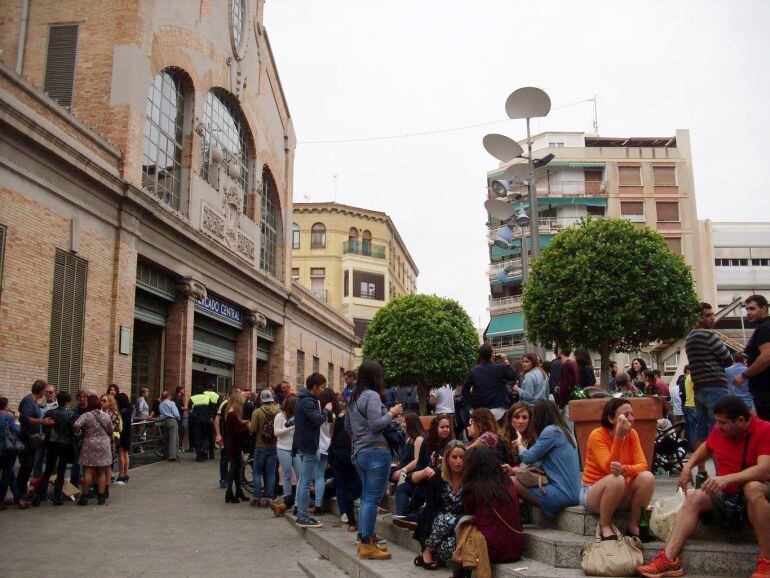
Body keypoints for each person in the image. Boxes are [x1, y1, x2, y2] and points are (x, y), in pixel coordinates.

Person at [637, 395, 770, 578]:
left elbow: (763, 469)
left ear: (740, 420)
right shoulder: (720, 430)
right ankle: (669, 559)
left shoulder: (764, 430)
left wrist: (727, 479)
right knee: (694, 496)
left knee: (752, 488)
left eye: (723, 423)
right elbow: (707, 447)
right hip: (729, 497)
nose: (718, 426)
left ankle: (766, 561)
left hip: (757, 494)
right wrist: (688, 466)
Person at [346, 361, 403, 559]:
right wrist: (392, 413)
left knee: (366, 497)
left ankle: (364, 538)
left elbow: (348, 427)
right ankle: (367, 543)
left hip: (360, 452)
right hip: (376, 452)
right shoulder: (371, 396)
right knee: (372, 498)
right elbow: (376, 424)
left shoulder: (354, 397)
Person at [581, 398, 656, 539]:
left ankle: (633, 525)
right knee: (616, 479)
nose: (631, 419)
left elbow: (643, 465)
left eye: (632, 414)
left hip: (620, 488)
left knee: (647, 477)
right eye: (625, 415)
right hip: (594, 491)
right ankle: (605, 525)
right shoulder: (597, 435)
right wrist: (619, 436)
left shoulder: (632, 434)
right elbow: (609, 469)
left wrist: (624, 469)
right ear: (611, 418)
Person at [507, 400, 581, 518]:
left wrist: (520, 444)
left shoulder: (551, 431)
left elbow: (528, 458)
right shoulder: (563, 431)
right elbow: (539, 464)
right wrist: (514, 471)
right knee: (514, 476)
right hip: (573, 493)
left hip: (563, 493)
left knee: (511, 481)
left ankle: (522, 518)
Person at [459, 445, 524, 574]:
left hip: (492, 549)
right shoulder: (506, 481)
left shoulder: (473, 487)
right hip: (516, 547)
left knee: (464, 527)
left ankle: (459, 569)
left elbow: (469, 513)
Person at [685, 302, 733, 448]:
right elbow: (728, 359)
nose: (712, 318)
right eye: (708, 315)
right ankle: (721, 469)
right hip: (715, 385)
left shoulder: (689, 339)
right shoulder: (709, 335)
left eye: (712, 314)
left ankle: (701, 469)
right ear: (698, 318)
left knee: (701, 429)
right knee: (719, 427)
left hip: (699, 387)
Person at [412, 440, 466, 569]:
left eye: (462, 457)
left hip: (460, 524)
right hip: (438, 522)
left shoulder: (470, 479)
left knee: (451, 545)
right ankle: (427, 551)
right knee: (446, 519)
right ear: (447, 459)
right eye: (454, 457)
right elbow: (430, 510)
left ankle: (435, 557)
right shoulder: (438, 478)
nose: (458, 461)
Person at [398, 414, 455, 528]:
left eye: (447, 427)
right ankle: (405, 513)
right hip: (426, 476)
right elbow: (420, 465)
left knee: (430, 484)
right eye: (442, 427)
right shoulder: (427, 442)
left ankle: (413, 513)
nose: (445, 430)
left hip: (443, 479)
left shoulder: (452, 444)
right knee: (406, 481)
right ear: (435, 428)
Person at [294, 373, 334, 528]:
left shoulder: (303, 400)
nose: (323, 390)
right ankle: (303, 516)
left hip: (305, 445)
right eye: (322, 387)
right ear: (315, 387)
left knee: (303, 481)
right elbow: (317, 420)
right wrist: (325, 410)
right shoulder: (307, 402)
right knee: (305, 482)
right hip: (308, 445)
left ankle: (301, 513)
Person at [34, 392, 75, 506]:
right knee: (61, 471)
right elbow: (72, 431)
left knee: (47, 470)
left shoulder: (50, 412)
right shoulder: (71, 414)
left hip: (52, 443)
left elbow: (45, 429)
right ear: (67, 402)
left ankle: (38, 497)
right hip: (65, 444)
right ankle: (57, 498)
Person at [17, 380, 55, 505]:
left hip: (32, 438)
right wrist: (42, 422)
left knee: (28, 467)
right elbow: (25, 418)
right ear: (42, 391)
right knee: (26, 467)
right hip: (26, 438)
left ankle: (22, 494)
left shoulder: (33, 401)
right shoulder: (29, 401)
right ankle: (21, 495)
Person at [329, 392, 361, 532]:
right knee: (349, 485)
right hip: (347, 454)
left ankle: (348, 516)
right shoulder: (353, 420)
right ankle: (350, 517)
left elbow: (334, 437)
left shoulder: (341, 419)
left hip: (340, 454)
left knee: (343, 485)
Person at [734, 294, 770, 420]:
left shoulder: (764, 328)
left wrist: (744, 375)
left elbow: (766, 356)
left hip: (765, 390)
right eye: (747, 309)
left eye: (752, 309)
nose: (748, 312)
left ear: (764, 308)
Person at [73, 394, 113, 505]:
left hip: (89, 443)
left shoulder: (86, 415)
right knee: (101, 471)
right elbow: (110, 429)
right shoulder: (105, 415)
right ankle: (101, 496)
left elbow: (76, 425)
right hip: (103, 444)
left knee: (88, 471)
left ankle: (84, 497)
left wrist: (79, 433)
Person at [461, 343, 517, 421]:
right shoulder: (500, 367)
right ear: (492, 354)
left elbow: (464, 390)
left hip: (481, 410)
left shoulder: (473, 371)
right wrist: (506, 361)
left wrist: (472, 404)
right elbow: (512, 376)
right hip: (499, 409)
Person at [249, 388, 280, 506]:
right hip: (273, 445)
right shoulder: (278, 411)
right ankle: (269, 498)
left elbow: (252, 429)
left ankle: (256, 497)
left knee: (257, 472)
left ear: (261, 399)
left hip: (260, 445)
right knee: (271, 472)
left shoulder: (257, 412)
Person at [393, 413, 427, 518]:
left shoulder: (419, 439)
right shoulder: (409, 438)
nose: (402, 424)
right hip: (403, 469)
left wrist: (402, 470)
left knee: (401, 486)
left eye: (404, 422)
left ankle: (401, 513)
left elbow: (417, 461)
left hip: (412, 472)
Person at [270, 395, 298, 517]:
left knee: (299, 475)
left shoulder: (298, 417)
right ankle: (287, 498)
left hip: (296, 448)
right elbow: (276, 432)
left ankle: (295, 502)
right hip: (283, 448)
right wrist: (290, 428)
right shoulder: (279, 417)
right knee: (286, 474)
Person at [312, 388, 336, 515]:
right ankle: (318, 504)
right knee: (320, 476)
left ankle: (302, 505)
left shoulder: (317, 414)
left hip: (315, 446)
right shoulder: (332, 416)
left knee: (309, 477)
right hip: (326, 447)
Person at [223, 391, 249, 503]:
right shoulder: (232, 414)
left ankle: (238, 491)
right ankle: (229, 492)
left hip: (233, 444)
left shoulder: (231, 413)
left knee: (237, 469)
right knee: (233, 469)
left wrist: (244, 423)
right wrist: (247, 428)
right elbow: (235, 432)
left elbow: (236, 426)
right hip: (234, 445)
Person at [0, 397, 24, 508]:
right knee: (6, 475)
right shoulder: (8, 417)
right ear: (5, 406)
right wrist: (17, 420)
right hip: (8, 449)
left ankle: (19, 499)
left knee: (10, 474)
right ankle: (1, 500)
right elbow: (17, 431)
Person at [500, 402, 537, 467]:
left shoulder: (535, 438)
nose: (520, 421)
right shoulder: (502, 439)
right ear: (510, 419)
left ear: (529, 420)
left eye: (524, 418)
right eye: (517, 417)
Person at [556, 348, 579, 434]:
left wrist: (560, 405)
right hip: (573, 399)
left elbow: (565, 386)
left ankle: (573, 448)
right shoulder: (573, 363)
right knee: (571, 430)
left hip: (566, 401)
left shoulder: (566, 365)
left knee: (569, 431)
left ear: (560, 351)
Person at [69, 390, 88, 488]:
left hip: (87, 439)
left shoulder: (89, 411)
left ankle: (86, 482)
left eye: (84, 397)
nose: (83, 399)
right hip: (76, 438)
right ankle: (74, 482)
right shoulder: (74, 410)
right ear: (78, 398)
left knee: (86, 463)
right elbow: (72, 424)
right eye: (81, 397)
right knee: (76, 461)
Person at [188, 389, 212, 462]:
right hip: (206, 419)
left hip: (196, 420)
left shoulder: (192, 398)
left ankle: (198, 455)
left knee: (197, 437)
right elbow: (211, 409)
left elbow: (190, 411)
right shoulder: (207, 398)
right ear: (203, 392)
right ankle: (204, 450)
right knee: (205, 436)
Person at [115, 392, 133, 482]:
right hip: (128, 432)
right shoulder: (129, 409)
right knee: (126, 454)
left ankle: (121, 474)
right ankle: (126, 473)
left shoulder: (122, 411)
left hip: (122, 433)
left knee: (121, 453)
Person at [158, 390, 180, 461]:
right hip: (172, 420)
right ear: (168, 396)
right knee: (174, 438)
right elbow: (176, 413)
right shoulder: (171, 403)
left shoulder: (161, 404)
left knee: (166, 438)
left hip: (165, 421)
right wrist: (178, 418)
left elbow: (161, 414)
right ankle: (172, 456)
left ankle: (166, 454)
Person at [172, 386, 189, 451]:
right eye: (183, 390)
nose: (184, 392)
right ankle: (178, 447)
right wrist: (188, 408)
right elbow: (179, 407)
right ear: (180, 391)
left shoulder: (179, 398)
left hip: (180, 416)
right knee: (179, 431)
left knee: (181, 431)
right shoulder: (177, 398)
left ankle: (179, 446)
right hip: (178, 417)